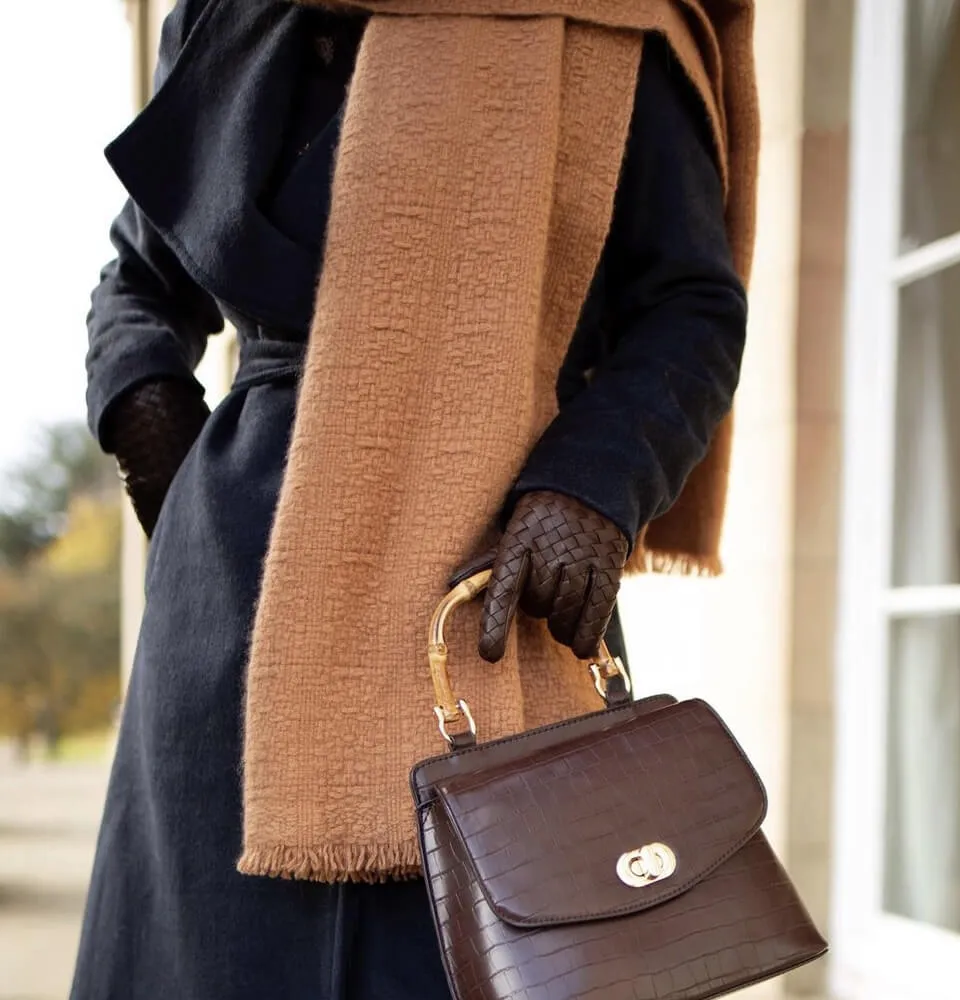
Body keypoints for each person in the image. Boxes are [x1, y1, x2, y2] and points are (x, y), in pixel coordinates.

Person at [71, 1, 751, 998]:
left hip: (488, 579)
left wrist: (594, 487)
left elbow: (691, 303)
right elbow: (137, 280)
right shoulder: (234, 12)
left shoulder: (615, 18)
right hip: (233, 607)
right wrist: (163, 455)